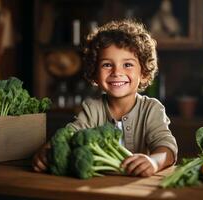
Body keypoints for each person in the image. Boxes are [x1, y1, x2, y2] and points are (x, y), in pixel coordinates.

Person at [32, 19, 178, 177]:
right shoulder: (92, 109)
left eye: (127, 64)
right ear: (95, 74)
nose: (116, 72)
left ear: (143, 74)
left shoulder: (151, 109)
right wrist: (47, 151)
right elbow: (67, 135)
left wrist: (154, 162)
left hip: (137, 185)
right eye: (107, 65)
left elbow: (166, 146)